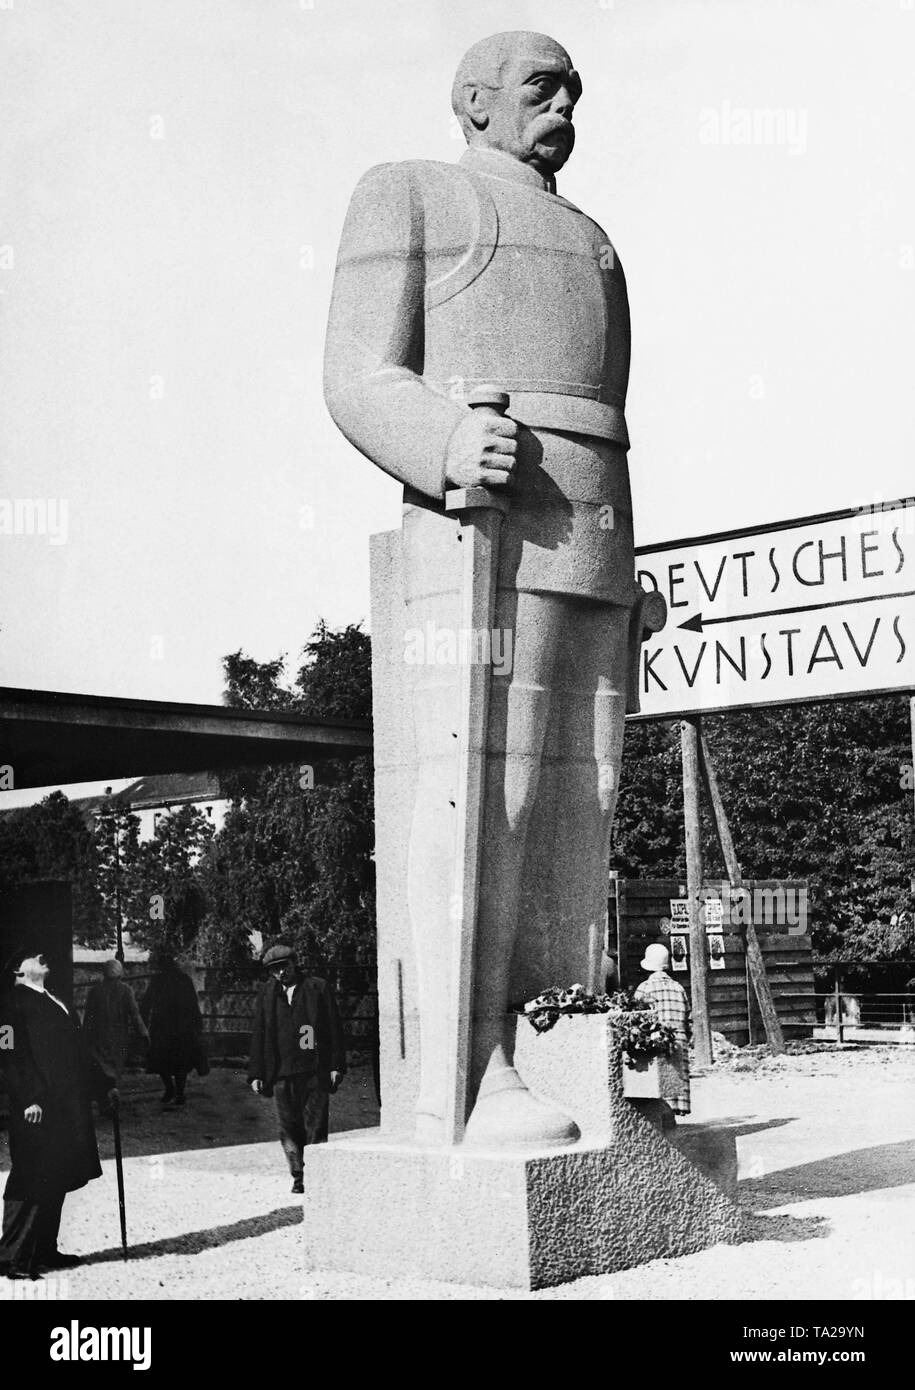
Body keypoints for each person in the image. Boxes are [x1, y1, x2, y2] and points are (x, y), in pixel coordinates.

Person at [324, 30, 664, 1146]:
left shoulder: (597, 241)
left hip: (592, 542)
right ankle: (473, 1066)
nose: (564, 103)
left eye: (573, 88)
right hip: (479, 532)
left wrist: (628, 563)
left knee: (586, 794)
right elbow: (359, 374)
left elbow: (609, 422)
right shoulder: (413, 196)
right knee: (489, 786)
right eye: (541, 85)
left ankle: (566, 1035)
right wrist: (442, 441)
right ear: (474, 100)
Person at [0, 948, 103, 1279]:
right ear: (18, 971)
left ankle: (44, 1250)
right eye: (32, 956)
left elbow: (79, 1052)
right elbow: (9, 1056)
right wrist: (29, 1096)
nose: (42, 956)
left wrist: (105, 1086)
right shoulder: (11, 1004)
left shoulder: (57, 1001)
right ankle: (12, 1257)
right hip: (36, 1108)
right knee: (30, 1175)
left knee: (55, 1174)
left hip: (65, 1106)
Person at [247, 944, 346, 1194]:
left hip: (314, 1070)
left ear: (295, 963)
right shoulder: (267, 994)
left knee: (315, 1125)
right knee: (288, 1127)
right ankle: (299, 1175)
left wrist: (335, 1065)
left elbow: (334, 1030)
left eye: (284, 967)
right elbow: (259, 1034)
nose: (281, 973)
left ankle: (318, 1173)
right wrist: (256, 1073)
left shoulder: (317, 988)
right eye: (275, 970)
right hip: (281, 1074)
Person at [140, 952, 208, 1107]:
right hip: (181, 1027)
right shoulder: (184, 980)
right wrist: (197, 1024)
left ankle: (170, 1088)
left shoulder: (157, 980)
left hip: (162, 1027)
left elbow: (146, 1003)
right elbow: (193, 1004)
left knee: (161, 1060)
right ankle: (179, 1092)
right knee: (180, 1061)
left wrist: (143, 1022)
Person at [633, 943, 691, 1124]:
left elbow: (635, 1018)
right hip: (678, 1042)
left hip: (655, 1042)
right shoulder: (679, 987)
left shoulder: (644, 988)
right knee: (674, 1085)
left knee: (657, 1088)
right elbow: (688, 1019)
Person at [82, 959, 149, 1107]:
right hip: (118, 1037)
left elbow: (88, 1017)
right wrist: (143, 1033)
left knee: (101, 1067)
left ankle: (106, 1098)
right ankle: (111, 1094)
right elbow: (135, 1014)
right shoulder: (125, 990)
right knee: (113, 1067)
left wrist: (84, 1036)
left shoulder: (96, 991)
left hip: (98, 1036)